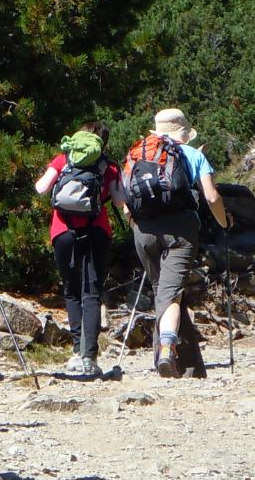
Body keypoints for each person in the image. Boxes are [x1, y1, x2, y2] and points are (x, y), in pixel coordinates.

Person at [123, 107, 230, 379]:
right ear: (184, 132)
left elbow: (126, 205)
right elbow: (212, 197)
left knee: (164, 291)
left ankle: (189, 367)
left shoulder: (138, 153)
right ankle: (168, 348)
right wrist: (224, 223)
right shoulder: (193, 155)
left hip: (143, 229)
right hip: (181, 230)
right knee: (170, 294)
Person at [34, 123, 127, 378]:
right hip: (97, 230)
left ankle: (76, 352)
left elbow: (40, 188)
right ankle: (90, 356)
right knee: (92, 291)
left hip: (62, 230)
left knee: (71, 289)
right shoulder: (109, 166)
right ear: (103, 143)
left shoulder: (63, 158)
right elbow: (120, 201)